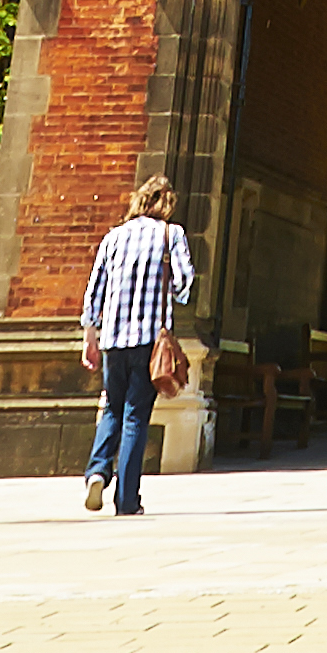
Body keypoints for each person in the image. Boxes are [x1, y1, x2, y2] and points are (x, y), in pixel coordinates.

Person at [81, 172, 198, 515]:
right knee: (135, 416)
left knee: (111, 407)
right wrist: (168, 288)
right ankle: (127, 500)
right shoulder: (171, 234)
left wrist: (90, 335)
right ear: (166, 204)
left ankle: (97, 471)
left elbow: (94, 290)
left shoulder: (113, 237)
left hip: (113, 339)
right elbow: (184, 283)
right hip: (150, 341)